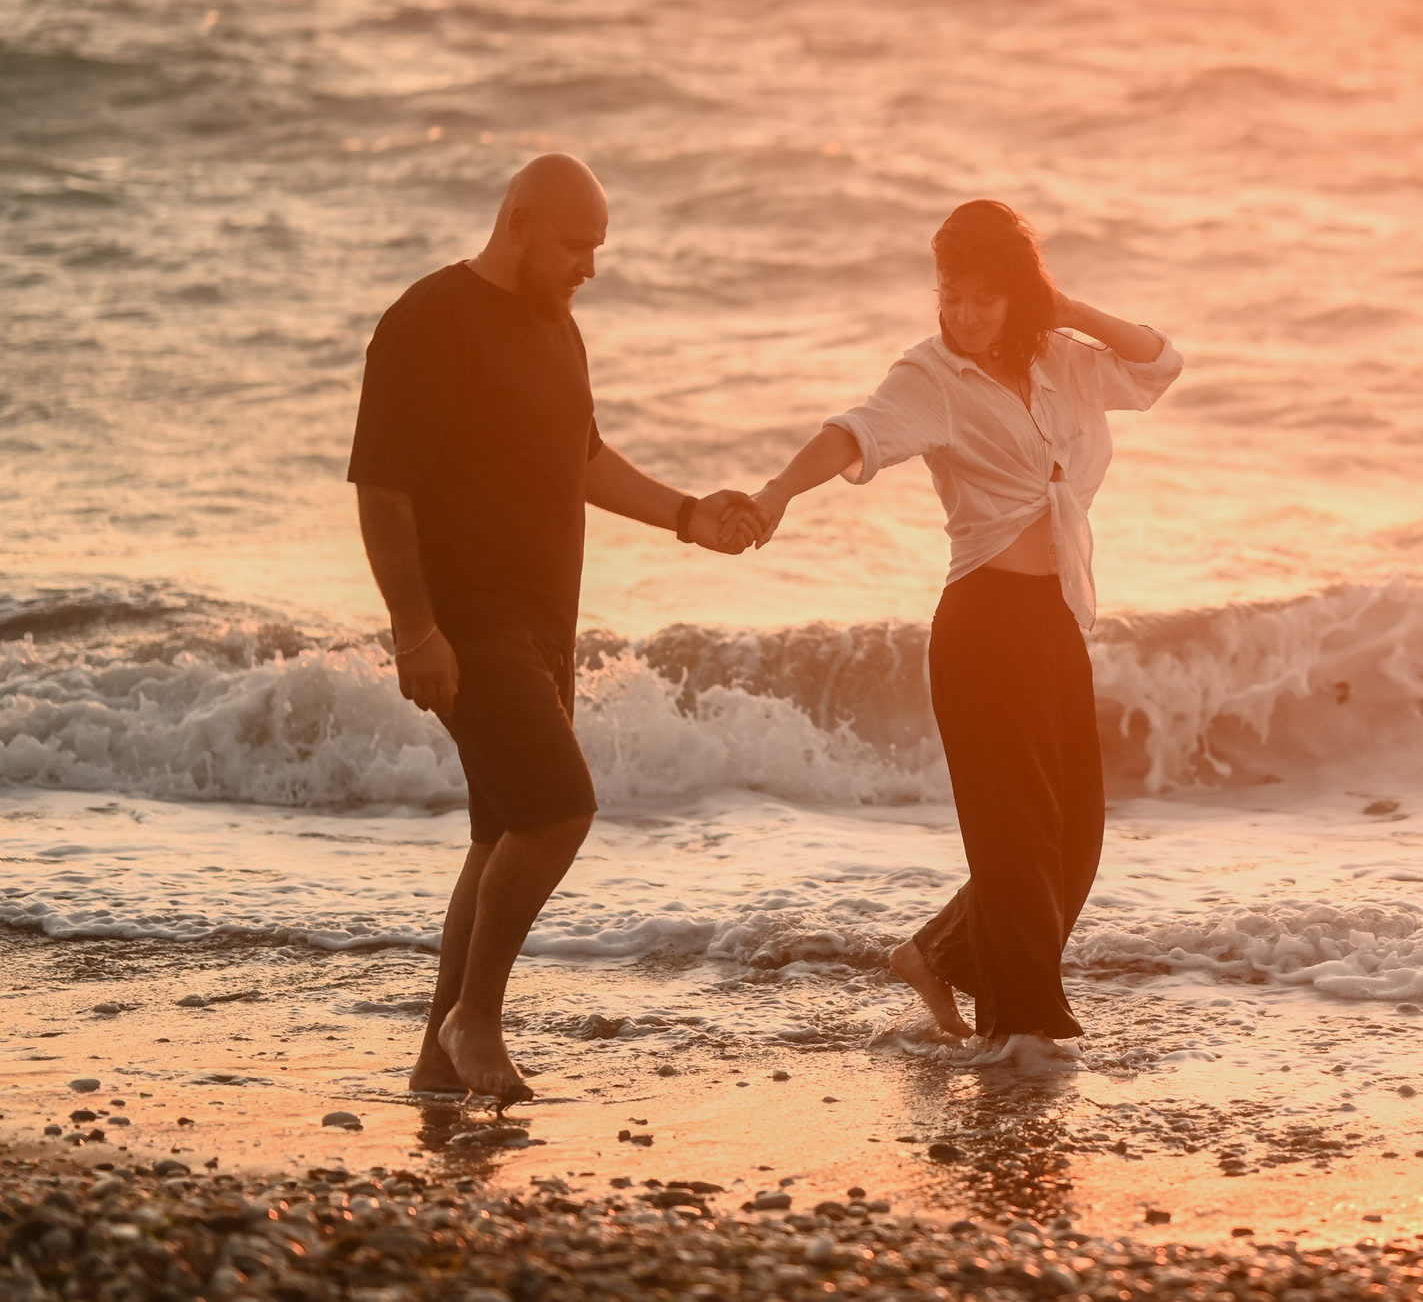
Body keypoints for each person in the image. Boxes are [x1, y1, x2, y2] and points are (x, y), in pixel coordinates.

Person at [348, 153, 763, 1104]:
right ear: (521, 223)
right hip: (467, 621)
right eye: (577, 245)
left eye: (599, 249)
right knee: (559, 808)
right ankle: (477, 1020)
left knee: (501, 833)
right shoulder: (429, 321)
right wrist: (416, 626)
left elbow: (581, 455)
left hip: (543, 627)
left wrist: (688, 513)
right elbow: (382, 484)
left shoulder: (557, 328)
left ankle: (435, 1059)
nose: (590, 266)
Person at [747, 199, 1180, 1062]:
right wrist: (773, 495)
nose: (965, 314)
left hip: (1057, 620)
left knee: (1072, 839)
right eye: (951, 294)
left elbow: (1161, 364)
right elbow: (851, 433)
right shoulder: (932, 377)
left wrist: (1073, 311)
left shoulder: (1063, 360)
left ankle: (939, 953)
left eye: (986, 297)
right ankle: (1024, 1031)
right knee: (1016, 840)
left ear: (1022, 296)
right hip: (983, 625)